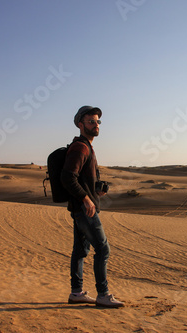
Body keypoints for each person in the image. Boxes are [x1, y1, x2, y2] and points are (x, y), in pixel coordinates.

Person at [61, 105, 124, 308]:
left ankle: (76, 292)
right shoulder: (81, 147)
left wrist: (95, 191)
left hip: (82, 208)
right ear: (81, 125)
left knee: (80, 251)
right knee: (103, 249)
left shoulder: (86, 146)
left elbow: (79, 179)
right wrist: (86, 199)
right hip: (85, 210)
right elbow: (67, 177)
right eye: (91, 121)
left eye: (98, 121)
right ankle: (103, 295)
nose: (96, 125)